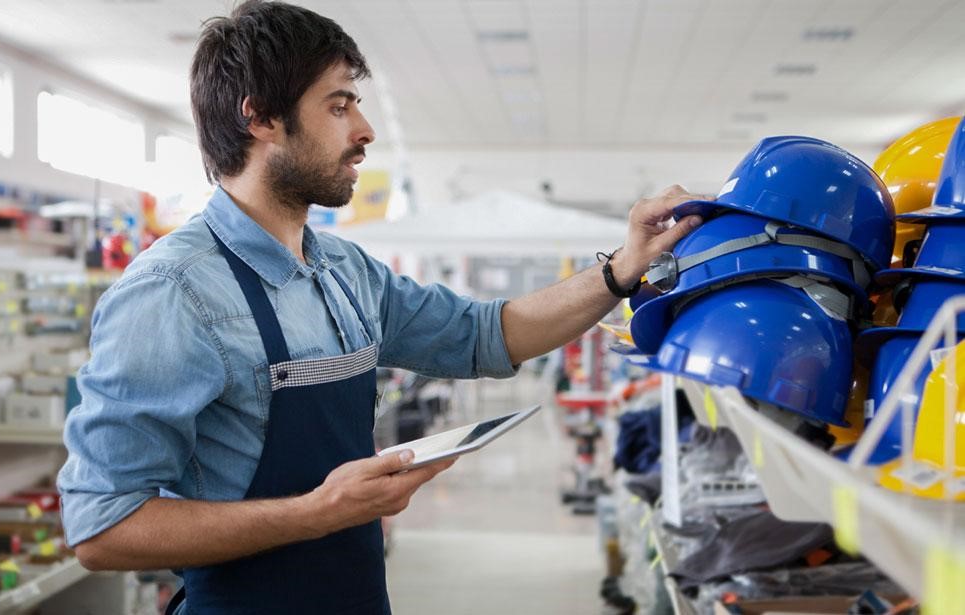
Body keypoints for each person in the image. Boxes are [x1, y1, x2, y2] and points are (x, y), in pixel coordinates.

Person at [57, 1, 704, 613]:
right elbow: (102, 525)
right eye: (338, 105)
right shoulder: (173, 292)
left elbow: (487, 333)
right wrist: (313, 512)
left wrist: (620, 268)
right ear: (260, 119)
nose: (364, 131)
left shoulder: (346, 271)